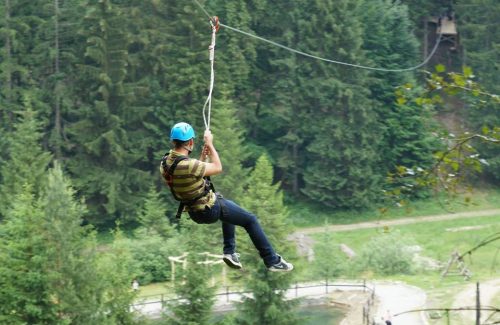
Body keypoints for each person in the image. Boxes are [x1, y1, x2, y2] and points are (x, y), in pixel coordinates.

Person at [160, 122, 293, 272]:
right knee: (250, 220)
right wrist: (210, 145)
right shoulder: (189, 165)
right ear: (190, 142)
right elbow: (217, 168)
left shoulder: (165, 163)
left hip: (193, 212)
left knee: (226, 206)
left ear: (173, 141)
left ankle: (230, 252)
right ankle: (271, 260)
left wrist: (203, 156)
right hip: (209, 209)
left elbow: (191, 173)